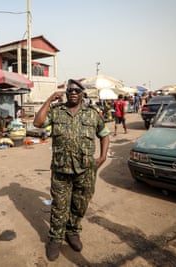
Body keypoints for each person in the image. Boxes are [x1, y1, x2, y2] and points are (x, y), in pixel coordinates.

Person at [33, 79, 110, 261]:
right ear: (66, 93)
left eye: (76, 90)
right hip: (61, 169)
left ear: (82, 93)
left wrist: (103, 156)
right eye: (70, 90)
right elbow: (38, 123)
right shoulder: (56, 112)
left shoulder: (92, 114)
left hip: (86, 170)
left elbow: (104, 134)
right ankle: (55, 238)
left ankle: (72, 232)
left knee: (80, 204)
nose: (73, 93)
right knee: (59, 206)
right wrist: (50, 99)